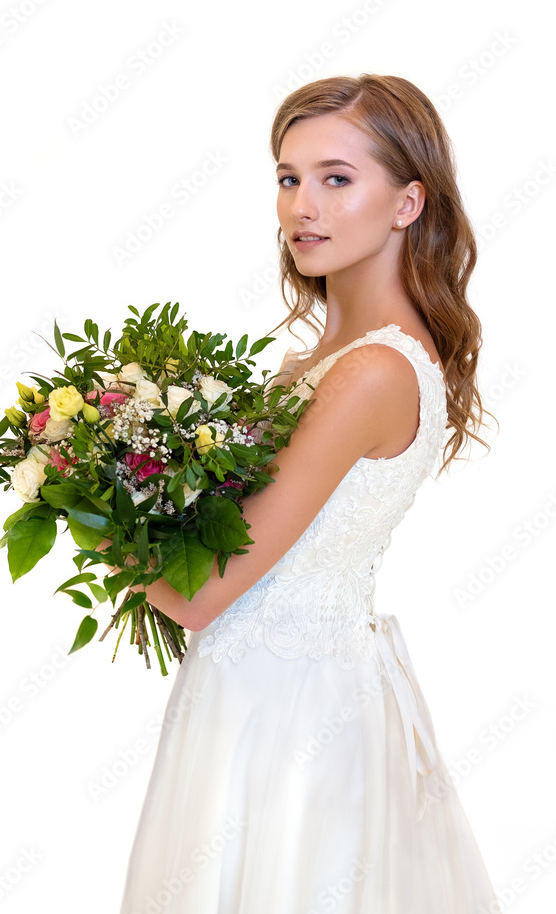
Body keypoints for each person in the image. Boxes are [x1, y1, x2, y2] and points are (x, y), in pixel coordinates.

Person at [118, 74, 499, 912]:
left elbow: (199, 595)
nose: (302, 207)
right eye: (288, 179)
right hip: (261, 698)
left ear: (406, 203)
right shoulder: (321, 363)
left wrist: (85, 500)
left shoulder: (370, 372)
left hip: (287, 716)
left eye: (335, 178)